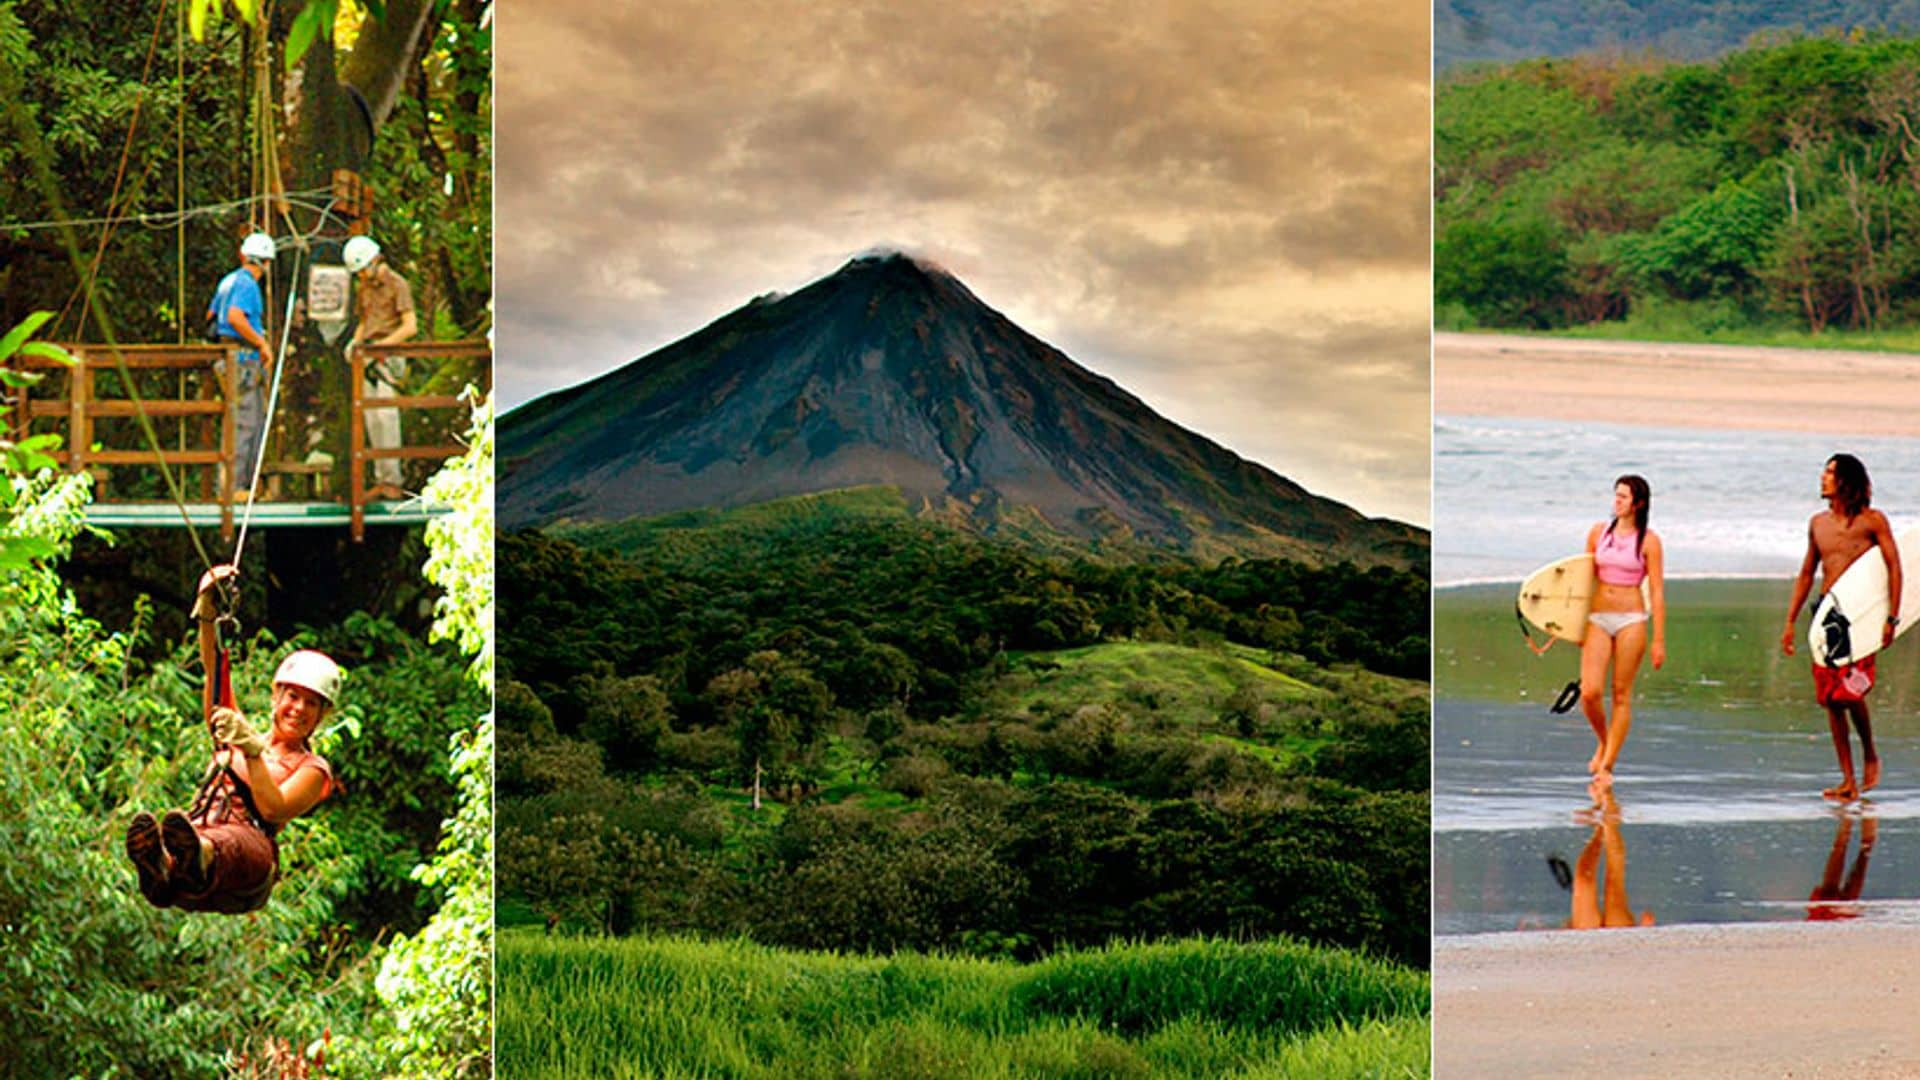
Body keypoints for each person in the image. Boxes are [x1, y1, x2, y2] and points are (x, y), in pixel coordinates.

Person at [123, 565, 340, 914]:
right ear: (275, 698)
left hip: (247, 861)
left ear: (321, 715)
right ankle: (162, 865)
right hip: (202, 832)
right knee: (188, 832)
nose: (298, 709)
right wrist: (207, 611)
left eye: (310, 703)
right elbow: (214, 668)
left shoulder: (313, 769)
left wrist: (253, 750)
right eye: (292, 697)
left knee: (232, 841)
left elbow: (273, 808)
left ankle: (195, 856)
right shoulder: (234, 733)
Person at [1780, 453, 1901, 801]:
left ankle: (1870, 753)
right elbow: (1806, 573)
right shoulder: (1817, 523)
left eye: (1831, 473)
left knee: (1851, 692)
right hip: (1826, 616)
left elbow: (1894, 567)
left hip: (1859, 617)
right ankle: (1847, 779)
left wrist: (1892, 617)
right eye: (1824, 471)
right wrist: (1790, 621)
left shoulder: (1872, 522)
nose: (1823, 477)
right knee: (1830, 701)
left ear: (1846, 480)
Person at [1579, 475, 1666, 790]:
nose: (1616, 501)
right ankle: (1604, 740)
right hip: (1598, 617)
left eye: (1623, 497)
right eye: (1615, 495)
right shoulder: (1597, 533)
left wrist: (1658, 640)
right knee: (1589, 693)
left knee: (1620, 693)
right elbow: (1581, 581)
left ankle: (1607, 764)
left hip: (1632, 618)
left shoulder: (1649, 541)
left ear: (1638, 504)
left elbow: (1656, 591)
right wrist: (1571, 625)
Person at [343, 235, 417, 497]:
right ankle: (380, 479)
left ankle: (393, 481)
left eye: (362, 270)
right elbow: (365, 322)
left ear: (375, 261)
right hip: (369, 355)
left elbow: (410, 326)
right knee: (371, 418)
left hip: (389, 355)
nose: (361, 276)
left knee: (387, 417)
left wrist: (381, 347)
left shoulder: (398, 284)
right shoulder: (364, 288)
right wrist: (355, 342)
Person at [206, 232, 276, 494]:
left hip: (230, 359)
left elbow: (211, 316)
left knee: (240, 421)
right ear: (265, 263)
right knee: (248, 423)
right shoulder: (247, 284)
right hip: (245, 361)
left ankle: (234, 485)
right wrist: (261, 342)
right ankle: (235, 488)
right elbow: (235, 317)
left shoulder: (228, 281)